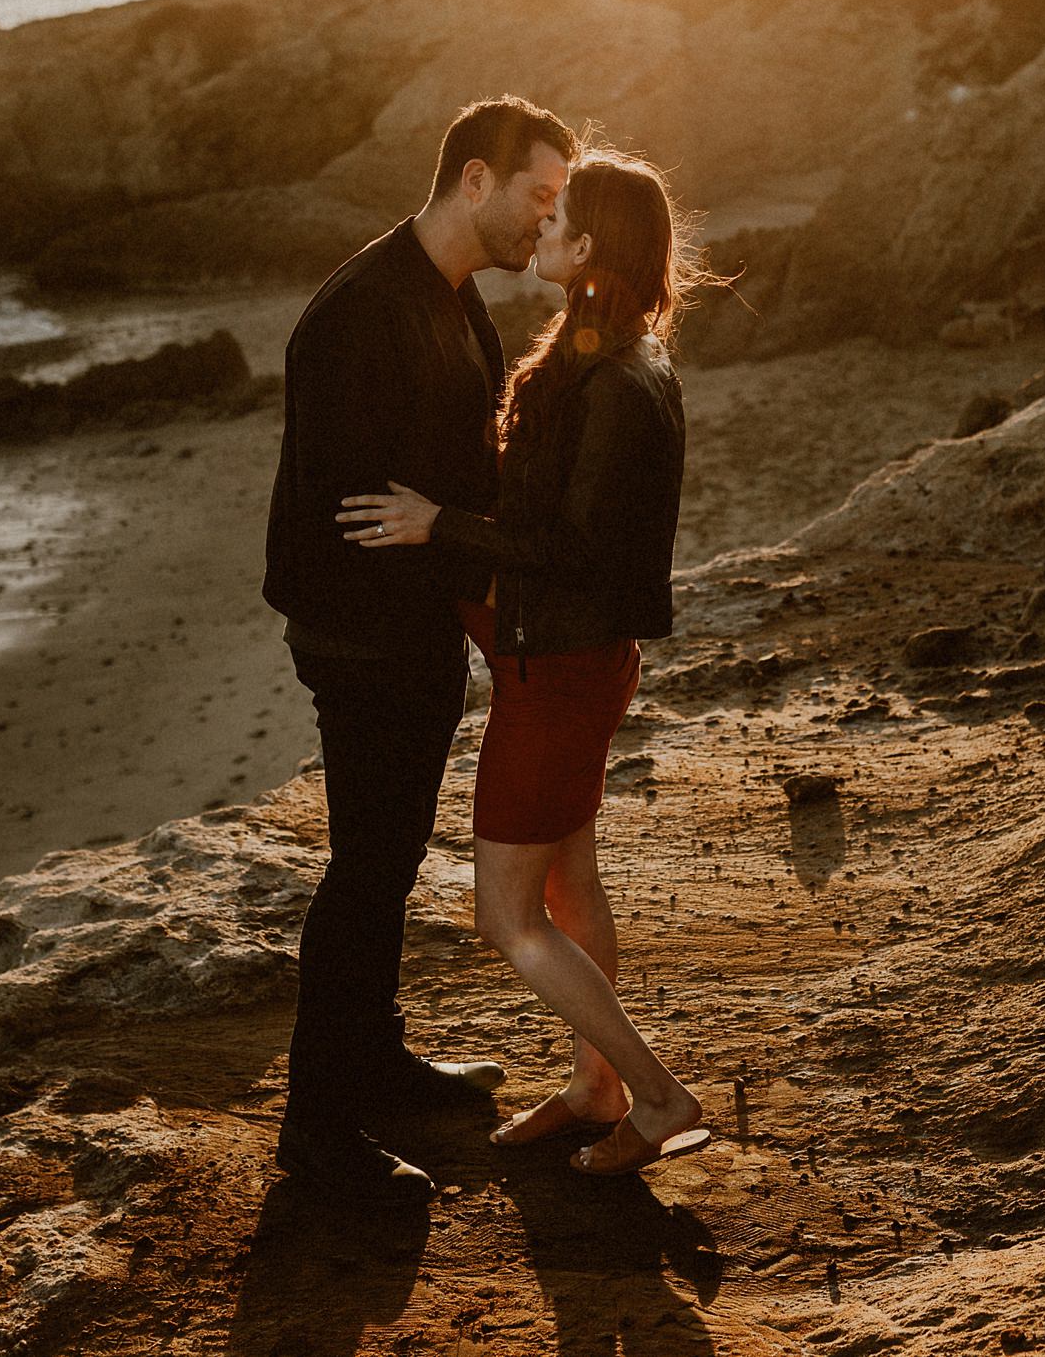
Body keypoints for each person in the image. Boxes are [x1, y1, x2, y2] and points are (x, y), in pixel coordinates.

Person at [337, 150, 709, 1176]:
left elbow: (575, 550)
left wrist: (437, 523)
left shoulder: (618, 381)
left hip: (559, 679)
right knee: (572, 885)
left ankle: (658, 1095)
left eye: (557, 216)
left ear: (588, 247)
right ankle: (596, 1088)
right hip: (566, 666)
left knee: (506, 916)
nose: (541, 225)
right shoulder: (606, 349)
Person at [261, 95, 576, 1203]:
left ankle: (375, 1058)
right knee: (365, 869)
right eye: (539, 195)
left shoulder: (455, 297)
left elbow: (454, 477)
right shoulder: (361, 310)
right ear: (476, 179)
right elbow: (362, 509)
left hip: (416, 626)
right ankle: (316, 1127)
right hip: (358, 635)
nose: (549, 220)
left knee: (388, 860)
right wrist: (468, 544)